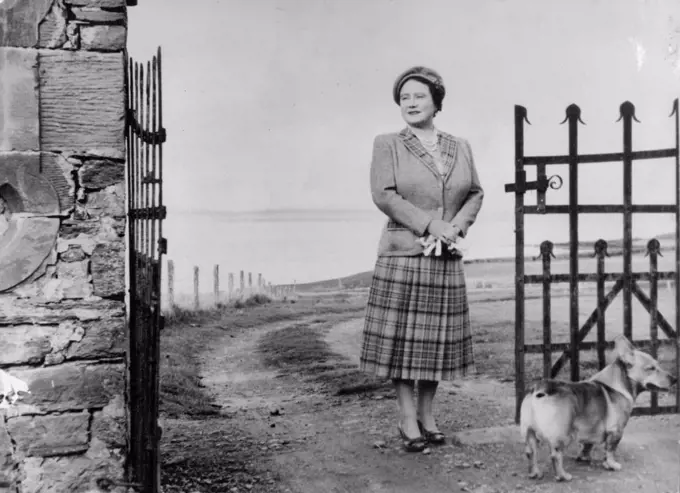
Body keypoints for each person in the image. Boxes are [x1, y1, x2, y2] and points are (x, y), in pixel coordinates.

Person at [359, 66, 484, 452]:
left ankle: (428, 416)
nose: (410, 103)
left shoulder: (460, 146)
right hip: (404, 254)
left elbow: (475, 193)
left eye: (419, 96)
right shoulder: (388, 143)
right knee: (402, 344)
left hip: (445, 256)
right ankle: (406, 416)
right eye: (404, 98)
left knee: (436, 344)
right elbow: (384, 195)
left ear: (436, 102)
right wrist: (431, 225)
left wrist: (455, 228)